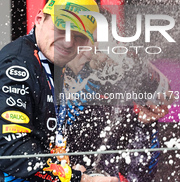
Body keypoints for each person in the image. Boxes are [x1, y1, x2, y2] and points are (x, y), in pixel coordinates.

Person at [0, 0, 119, 182]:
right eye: (62, 28)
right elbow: (10, 150)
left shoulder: (50, 61)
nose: (69, 42)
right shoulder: (19, 65)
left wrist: (66, 169)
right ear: (39, 19)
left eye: (78, 36)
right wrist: (80, 179)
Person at [63, 27, 172, 181]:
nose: (89, 51)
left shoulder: (121, 93)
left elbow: (141, 175)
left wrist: (147, 124)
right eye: (81, 39)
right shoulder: (49, 83)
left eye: (96, 43)